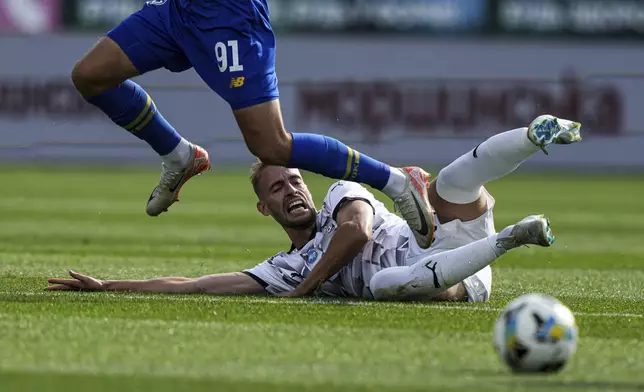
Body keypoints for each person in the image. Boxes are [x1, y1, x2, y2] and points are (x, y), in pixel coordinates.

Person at [46, 115, 582, 302]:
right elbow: (195, 284)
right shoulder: (280, 268)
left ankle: (537, 134)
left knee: (455, 181)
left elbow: (355, 232)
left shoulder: (337, 197)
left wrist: (306, 288)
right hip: (456, 277)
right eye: (278, 189)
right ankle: (513, 238)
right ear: (264, 209)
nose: (293, 190)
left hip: (440, 233)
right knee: (386, 285)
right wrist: (111, 286)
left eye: (294, 179)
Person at [71, 0, 434, 248]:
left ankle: (398, 181)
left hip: (228, 16)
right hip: (175, 11)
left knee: (271, 146)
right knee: (90, 75)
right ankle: (180, 155)